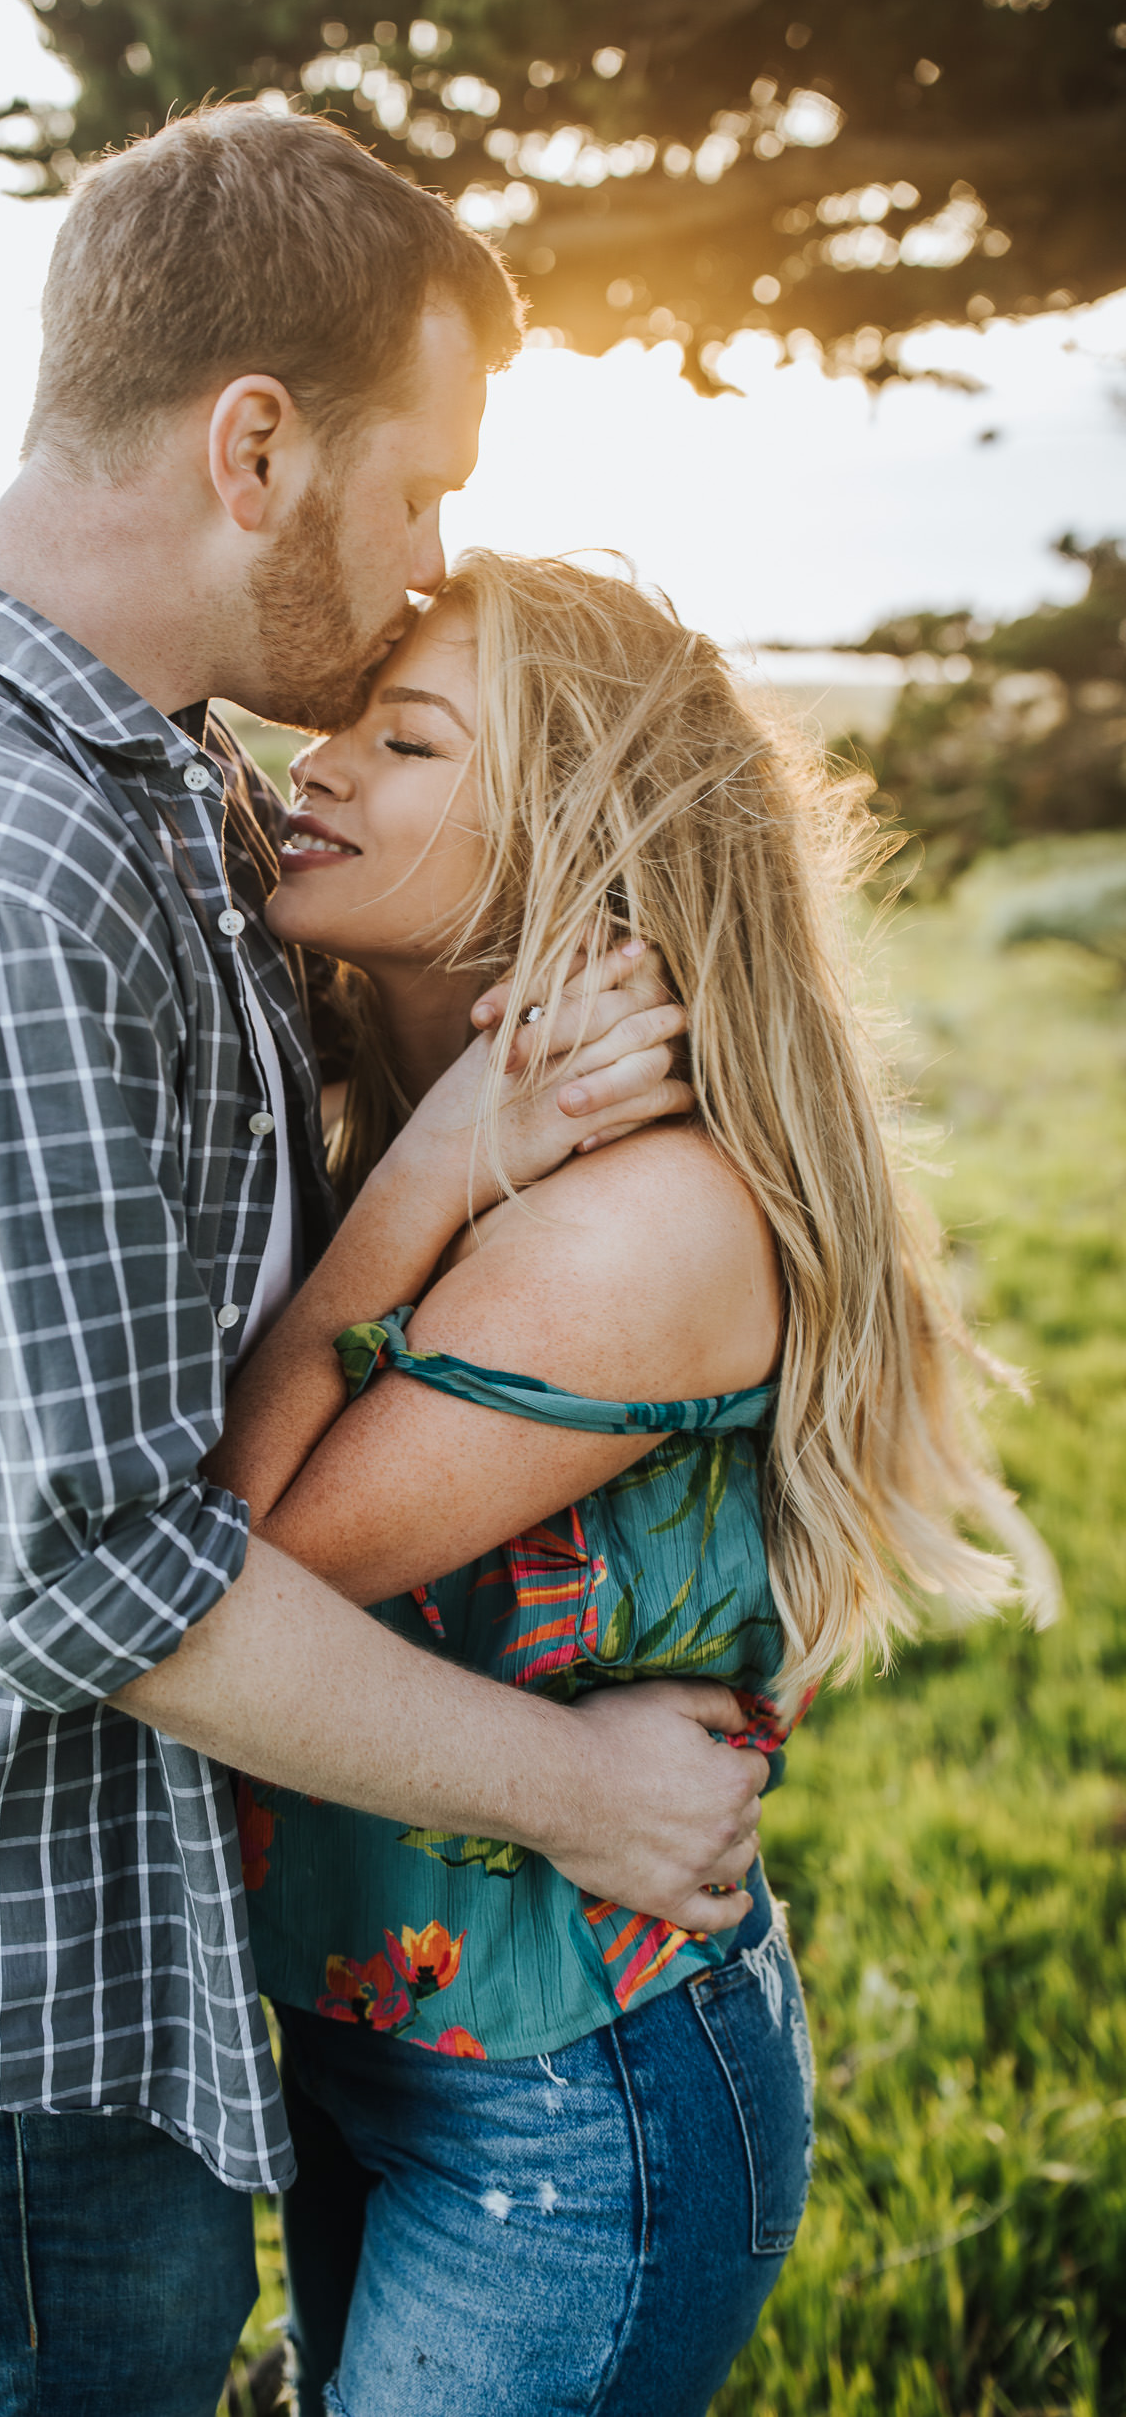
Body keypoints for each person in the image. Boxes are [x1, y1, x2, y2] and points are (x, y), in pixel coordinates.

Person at [0, 107, 768, 2415]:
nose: (425, 556)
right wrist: (584, 1794)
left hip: (49, 1991)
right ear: (253, 446)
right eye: (418, 487)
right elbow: (95, 1574)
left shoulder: (137, 768)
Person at [209, 549, 1056, 2417]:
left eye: (408, 740)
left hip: (565, 2118)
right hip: (380, 2038)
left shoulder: (632, 1223)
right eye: (343, 721)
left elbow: (220, 1565)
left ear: (567, 847)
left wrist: (430, 1172)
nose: (317, 765)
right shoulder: (399, 1126)